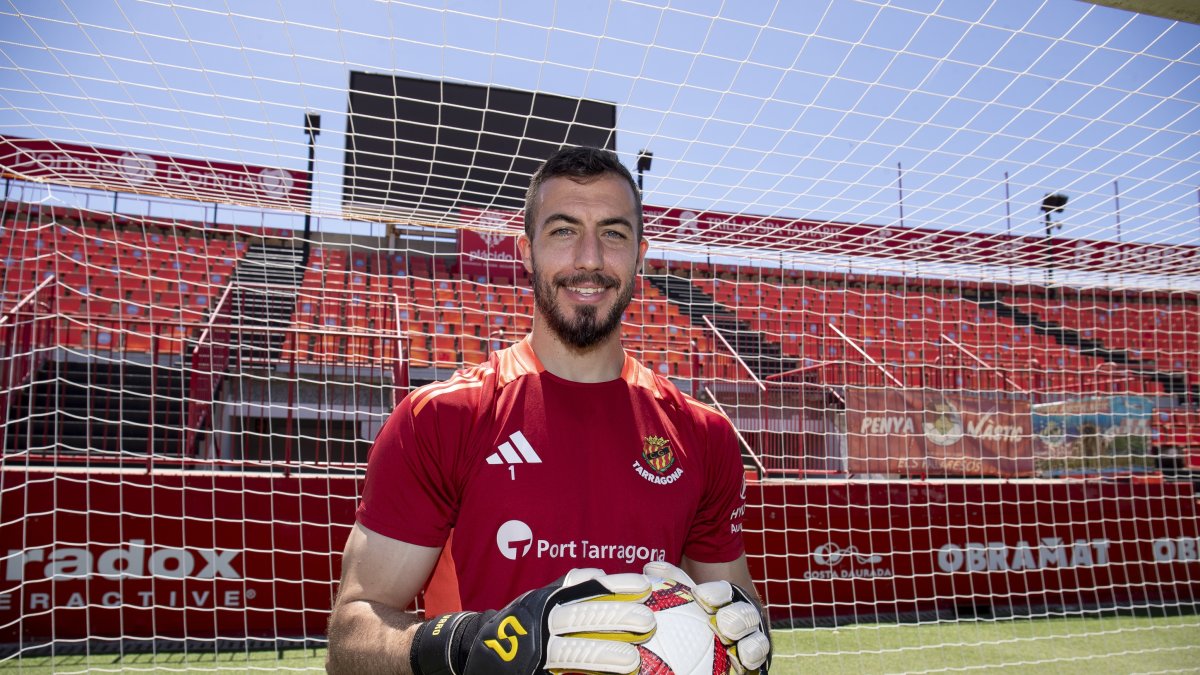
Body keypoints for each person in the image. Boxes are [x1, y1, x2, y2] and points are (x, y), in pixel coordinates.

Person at [326, 147, 771, 674]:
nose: (589, 258)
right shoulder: (442, 417)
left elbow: (735, 606)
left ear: (640, 253)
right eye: (563, 231)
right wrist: (475, 645)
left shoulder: (704, 434)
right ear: (525, 251)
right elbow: (350, 641)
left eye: (613, 232)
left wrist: (747, 637)